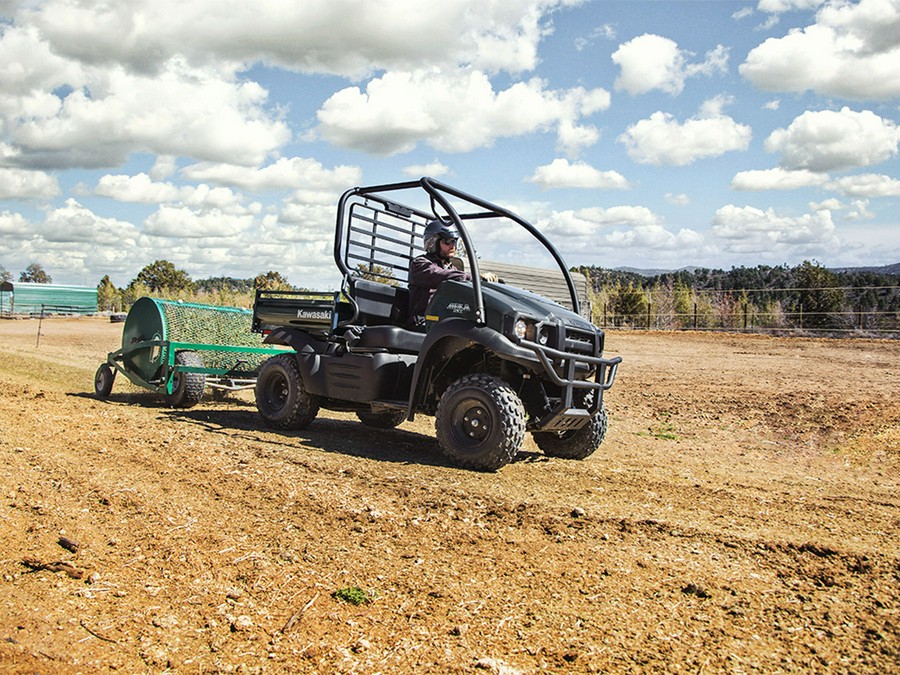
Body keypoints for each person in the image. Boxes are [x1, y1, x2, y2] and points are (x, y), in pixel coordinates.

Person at [407, 219, 497, 329]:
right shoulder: (420, 264)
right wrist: (476, 277)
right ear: (432, 243)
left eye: (454, 241)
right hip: (424, 321)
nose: (453, 246)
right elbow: (442, 275)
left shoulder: (451, 268)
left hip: (443, 320)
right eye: (447, 242)